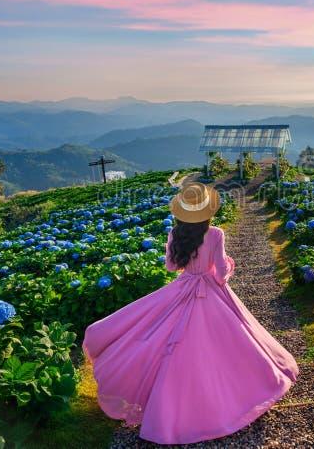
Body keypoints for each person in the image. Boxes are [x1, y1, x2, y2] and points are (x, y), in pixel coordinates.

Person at [83, 182, 298, 444]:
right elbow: (219, 276)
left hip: (182, 288)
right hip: (211, 293)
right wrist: (229, 266)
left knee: (160, 336)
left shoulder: (175, 233)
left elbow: (171, 267)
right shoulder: (215, 233)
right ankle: (233, 395)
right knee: (233, 340)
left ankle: (167, 406)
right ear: (207, 211)